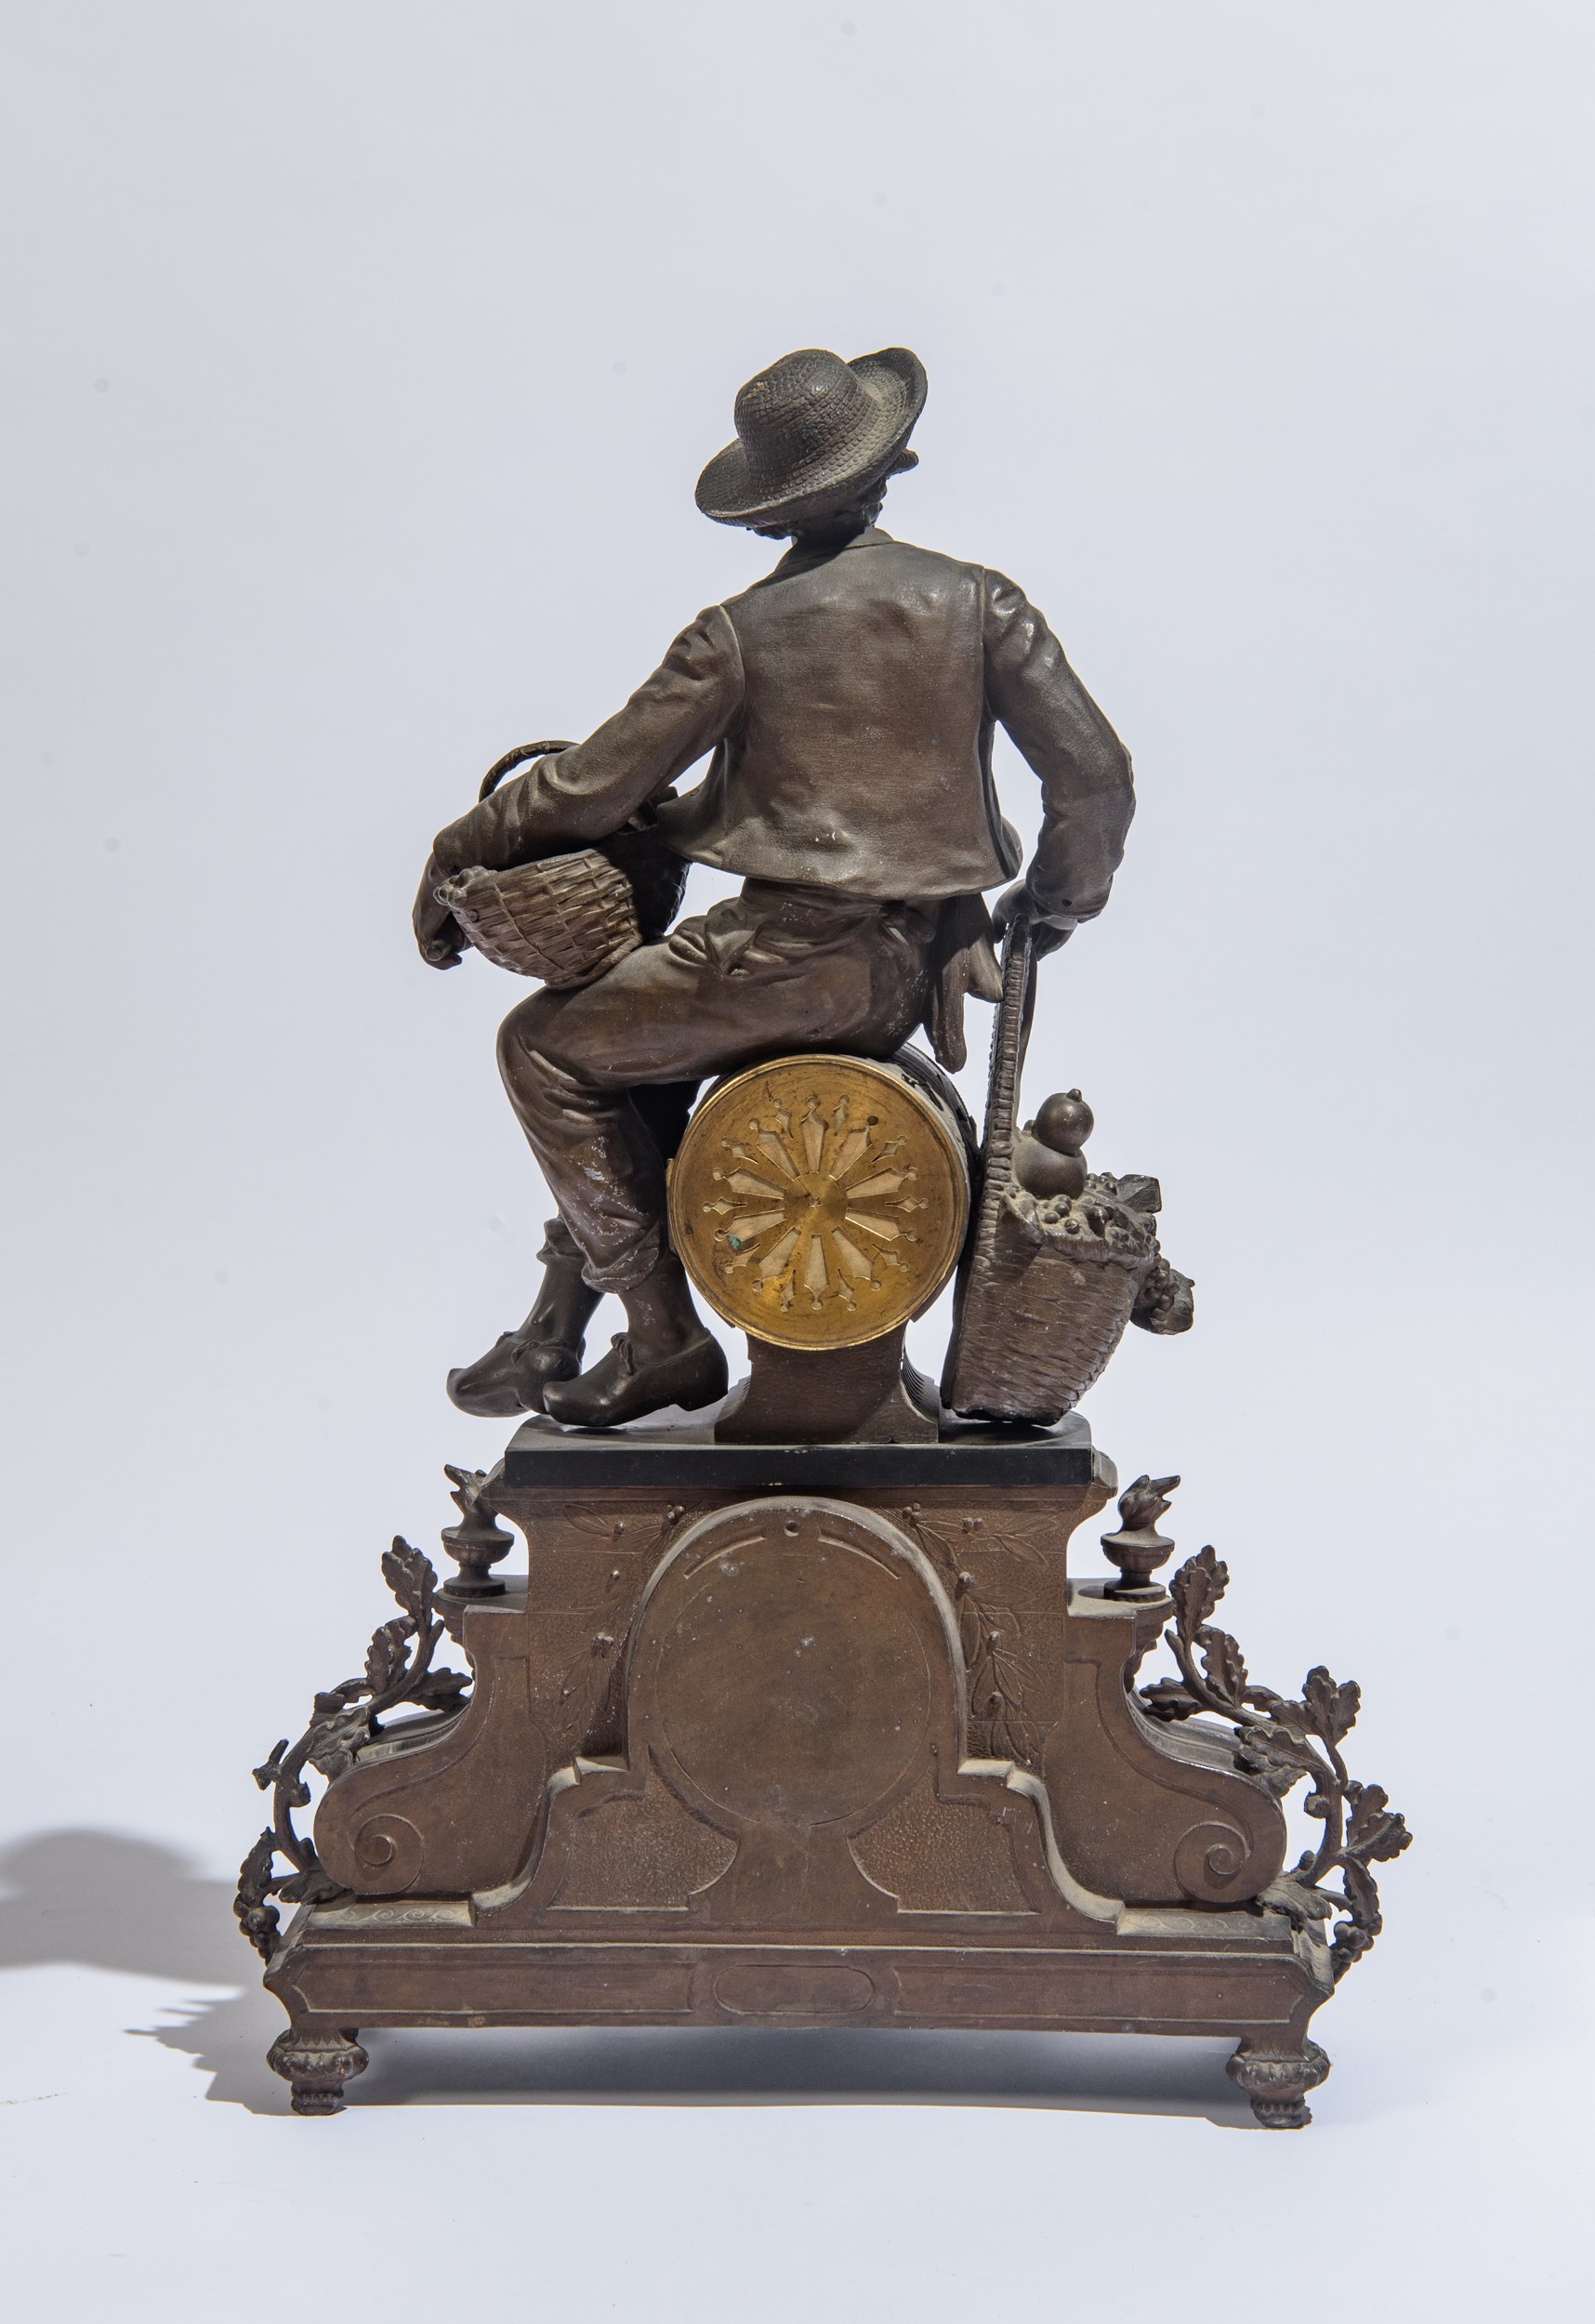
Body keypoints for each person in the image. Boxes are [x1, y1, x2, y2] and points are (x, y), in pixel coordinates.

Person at [414, 345, 1135, 1428]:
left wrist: (453, 852)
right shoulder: (979, 602)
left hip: (791, 965)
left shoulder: (738, 635)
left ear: (768, 509)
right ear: (884, 467)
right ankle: (557, 1321)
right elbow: (1096, 777)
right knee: (638, 1042)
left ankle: (659, 1338)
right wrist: (1056, 901)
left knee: (544, 1049)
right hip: (916, 969)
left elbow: (588, 786)